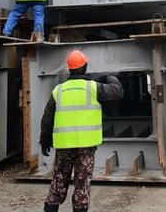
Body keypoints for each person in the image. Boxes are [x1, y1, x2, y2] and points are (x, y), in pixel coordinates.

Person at [40, 50, 124, 212]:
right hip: (86, 147)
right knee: (82, 184)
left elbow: (47, 119)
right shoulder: (93, 88)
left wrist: (45, 140)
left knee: (58, 182)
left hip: (64, 146)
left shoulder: (58, 90)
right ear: (85, 67)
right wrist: (109, 76)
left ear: (69, 69)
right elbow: (117, 91)